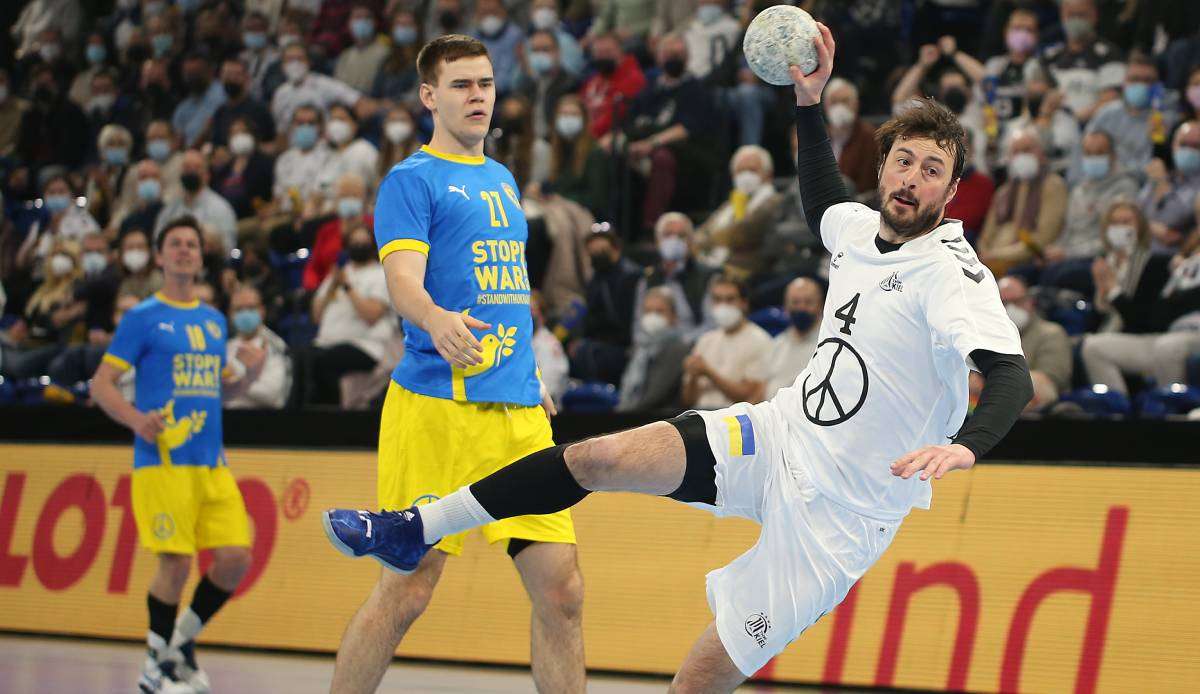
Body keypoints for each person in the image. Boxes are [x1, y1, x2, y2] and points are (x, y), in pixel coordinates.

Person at [323, 26, 1033, 691]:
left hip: (840, 518)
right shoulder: (857, 229)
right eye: (903, 161)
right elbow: (821, 196)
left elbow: (1010, 374)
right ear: (882, 166)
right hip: (781, 436)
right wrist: (808, 102)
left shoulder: (951, 272)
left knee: (693, 683)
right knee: (598, 457)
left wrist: (966, 447)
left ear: (951, 189)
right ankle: (413, 526)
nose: (911, 179)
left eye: (931, 170)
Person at [322, 35, 585, 694]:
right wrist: (434, 318)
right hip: (436, 412)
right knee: (407, 595)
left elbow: (506, 291)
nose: (478, 96)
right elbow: (403, 281)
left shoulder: (501, 178)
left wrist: (529, 375)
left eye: (486, 84)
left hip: (516, 414)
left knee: (563, 594)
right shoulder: (411, 180)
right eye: (463, 84)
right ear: (429, 95)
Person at [91, 216, 254, 694]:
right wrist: (137, 419)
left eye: (192, 245)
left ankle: (178, 645)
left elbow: (214, 392)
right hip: (163, 461)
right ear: (160, 257)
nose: (184, 251)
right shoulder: (142, 317)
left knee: (234, 558)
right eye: (175, 244)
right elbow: (102, 385)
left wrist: (246, 378)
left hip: (211, 461)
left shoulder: (213, 319)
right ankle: (152, 669)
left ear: (201, 257)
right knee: (176, 563)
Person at [976, 128, 1067, 275]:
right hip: (992, 260)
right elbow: (985, 237)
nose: (1022, 156)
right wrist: (984, 256)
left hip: (1026, 260)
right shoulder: (1004, 192)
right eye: (1016, 152)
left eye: (1027, 150)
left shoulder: (1053, 185)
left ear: (1041, 153)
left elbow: (1043, 237)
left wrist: (996, 256)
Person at [680, 275, 771, 410]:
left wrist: (708, 372)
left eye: (730, 299)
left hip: (731, 420)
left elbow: (748, 396)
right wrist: (693, 376)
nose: (723, 305)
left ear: (744, 303)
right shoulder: (705, 340)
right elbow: (687, 400)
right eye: (717, 299)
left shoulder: (759, 340)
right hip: (698, 416)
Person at [634, 211, 718, 342]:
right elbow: (638, 328)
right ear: (657, 241)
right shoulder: (648, 279)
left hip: (693, 348)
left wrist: (681, 344)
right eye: (668, 235)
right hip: (653, 347)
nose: (674, 240)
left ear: (691, 242)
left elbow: (712, 325)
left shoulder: (707, 277)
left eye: (681, 236)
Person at [997, 276, 1071, 409]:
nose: (1011, 309)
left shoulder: (1051, 333)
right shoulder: (990, 337)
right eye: (1004, 303)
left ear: (1030, 301)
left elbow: (1047, 383)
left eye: (1017, 301)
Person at [617, 286, 690, 413]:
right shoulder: (641, 347)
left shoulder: (678, 348)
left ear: (673, 316)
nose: (652, 317)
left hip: (661, 417)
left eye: (659, 311)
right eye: (648, 311)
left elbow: (654, 396)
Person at [155, 150, 238, 253]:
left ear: (207, 175)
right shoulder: (169, 210)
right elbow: (157, 245)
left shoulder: (221, 208)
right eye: (187, 168)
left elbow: (230, 248)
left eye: (196, 168)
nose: (191, 172)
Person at [224, 285, 292, 409]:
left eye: (251, 308)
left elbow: (271, 394)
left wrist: (234, 376)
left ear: (262, 311)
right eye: (239, 309)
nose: (245, 314)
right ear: (230, 314)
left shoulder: (276, 345)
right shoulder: (225, 348)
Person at [763, 277, 824, 400]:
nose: (801, 308)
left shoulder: (826, 345)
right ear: (785, 306)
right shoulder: (778, 343)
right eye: (795, 302)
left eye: (808, 302)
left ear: (820, 305)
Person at [823, 78, 878, 195]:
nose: (839, 107)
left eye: (845, 101)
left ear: (856, 104)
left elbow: (868, 184)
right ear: (825, 106)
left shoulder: (869, 137)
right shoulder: (820, 138)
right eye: (834, 102)